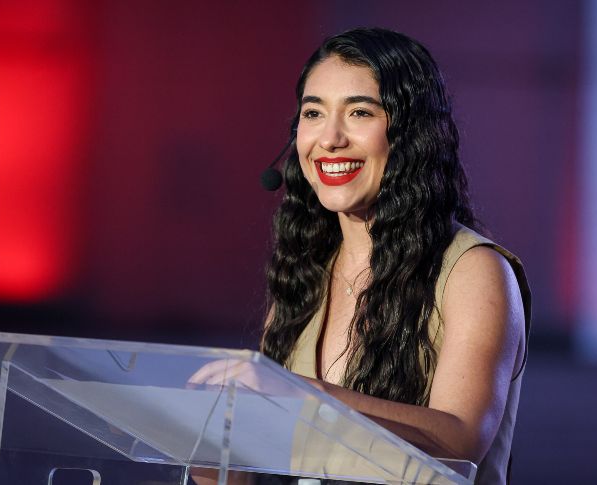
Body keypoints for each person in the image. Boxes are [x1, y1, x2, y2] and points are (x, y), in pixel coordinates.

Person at [190, 27, 531, 485]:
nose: (330, 138)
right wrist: (207, 439)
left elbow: (460, 441)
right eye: (314, 113)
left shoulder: (474, 270)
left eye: (359, 112)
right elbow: (257, 460)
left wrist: (302, 394)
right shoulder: (307, 270)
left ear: (409, 134)